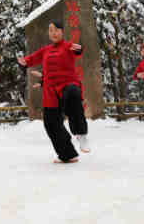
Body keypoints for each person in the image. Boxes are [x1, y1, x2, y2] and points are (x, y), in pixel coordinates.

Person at [17, 21, 90, 163]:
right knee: (50, 123)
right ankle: (67, 154)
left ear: (62, 32)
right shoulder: (46, 50)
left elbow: (78, 50)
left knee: (73, 95)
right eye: (50, 30)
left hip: (67, 85)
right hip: (51, 91)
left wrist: (79, 49)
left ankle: (81, 133)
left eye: (56, 30)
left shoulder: (68, 46)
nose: (53, 33)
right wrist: (24, 62)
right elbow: (31, 60)